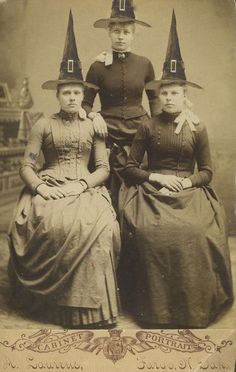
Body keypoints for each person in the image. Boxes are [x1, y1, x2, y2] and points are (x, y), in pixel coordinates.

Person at [119, 10, 234, 328]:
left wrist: (186, 183)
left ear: (186, 96)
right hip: (153, 190)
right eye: (164, 93)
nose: (169, 98)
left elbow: (208, 171)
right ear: (158, 96)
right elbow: (130, 168)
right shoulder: (147, 125)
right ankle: (153, 309)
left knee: (195, 233)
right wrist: (155, 176)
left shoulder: (197, 127)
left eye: (175, 93)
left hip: (188, 190)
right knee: (148, 233)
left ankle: (192, 308)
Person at [8, 11, 120, 329]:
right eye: (66, 92)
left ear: (84, 95)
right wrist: (42, 188)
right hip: (49, 185)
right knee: (52, 225)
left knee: (102, 228)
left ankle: (93, 310)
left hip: (85, 187)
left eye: (77, 92)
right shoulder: (44, 124)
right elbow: (27, 165)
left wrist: (81, 185)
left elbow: (102, 168)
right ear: (57, 95)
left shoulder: (93, 126)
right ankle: (56, 309)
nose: (72, 97)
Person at [82, 0, 159, 212]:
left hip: (139, 132)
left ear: (133, 33)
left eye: (126, 31)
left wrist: (156, 128)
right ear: (109, 32)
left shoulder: (145, 64)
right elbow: (85, 104)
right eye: (116, 31)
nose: (121, 36)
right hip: (107, 132)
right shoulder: (97, 66)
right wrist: (93, 116)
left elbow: (155, 102)